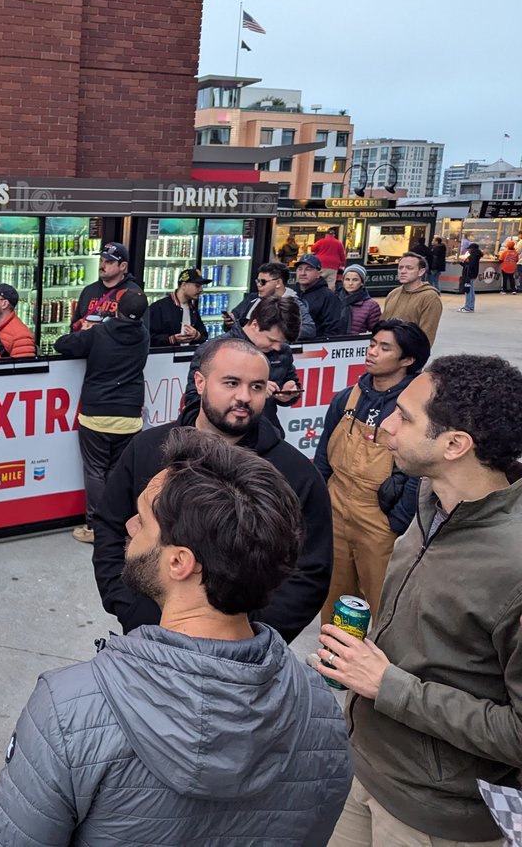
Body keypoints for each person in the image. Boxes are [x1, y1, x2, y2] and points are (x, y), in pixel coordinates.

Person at [0, 427, 351, 846]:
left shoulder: (69, 712)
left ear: (179, 562)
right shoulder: (321, 708)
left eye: (145, 521)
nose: (129, 526)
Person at [318, 354, 522, 846]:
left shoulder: (514, 565)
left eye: (405, 417)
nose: (385, 424)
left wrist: (388, 684)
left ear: (455, 444)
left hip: (437, 814)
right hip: (364, 767)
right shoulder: (432, 502)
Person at [95, 336, 332, 643]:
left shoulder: (296, 474)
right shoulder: (147, 448)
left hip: (242, 652)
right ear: (200, 381)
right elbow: (110, 527)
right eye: (231, 383)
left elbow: (310, 572)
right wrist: (130, 607)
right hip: (146, 636)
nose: (244, 397)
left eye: (257, 387)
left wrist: (246, 634)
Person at [312, 320, 429, 624]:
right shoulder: (347, 398)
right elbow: (324, 454)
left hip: (378, 516)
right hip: (336, 507)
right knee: (335, 598)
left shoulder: (414, 408)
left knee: (382, 602)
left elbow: (419, 468)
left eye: (384, 347)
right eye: (373, 344)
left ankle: (378, 666)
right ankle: (332, 663)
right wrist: (320, 504)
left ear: (408, 360)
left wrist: (397, 520)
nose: (373, 352)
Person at [54, 289, 149, 545]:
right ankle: (119, 526)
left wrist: (83, 331)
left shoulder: (99, 333)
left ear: (116, 308)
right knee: (118, 473)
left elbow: (62, 345)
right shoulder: (144, 335)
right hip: (130, 416)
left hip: (97, 414)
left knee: (95, 471)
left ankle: (95, 528)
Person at [185, 296, 302, 437]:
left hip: (266, 434)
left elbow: (292, 382)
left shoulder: (282, 351)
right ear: (254, 324)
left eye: (282, 342)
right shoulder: (213, 350)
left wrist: (289, 393)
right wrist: (256, 392)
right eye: (272, 340)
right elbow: (193, 401)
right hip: (221, 438)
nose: (277, 347)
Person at [226, 261, 316, 340]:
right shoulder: (252, 298)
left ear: (278, 283)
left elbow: (309, 330)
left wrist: (273, 330)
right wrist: (229, 322)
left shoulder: (294, 303)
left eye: (263, 282)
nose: (259, 285)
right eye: (257, 281)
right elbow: (232, 323)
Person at [70, 241, 143, 331]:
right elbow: (75, 324)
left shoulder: (133, 293)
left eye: (109, 262)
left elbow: (139, 332)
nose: (102, 266)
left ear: (123, 266)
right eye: (101, 260)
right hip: (89, 344)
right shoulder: (89, 290)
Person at [382, 252, 442, 343]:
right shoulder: (393, 294)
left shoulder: (430, 297)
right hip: (386, 351)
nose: (403, 271)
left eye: (409, 268)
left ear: (421, 272)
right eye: (400, 268)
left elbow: (427, 335)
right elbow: (382, 325)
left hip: (409, 354)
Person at [147, 268, 208, 347]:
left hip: (188, 356)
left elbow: (204, 336)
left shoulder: (192, 309)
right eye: (197, 286)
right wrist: (171, 339)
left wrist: (197, 335)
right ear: (184, 285)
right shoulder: (158, 307)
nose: (201, 290)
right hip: (163, 357)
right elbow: (146, 337)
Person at [293, 254, 345, 336]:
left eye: (308, 269)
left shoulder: (328, 297)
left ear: (318, 274)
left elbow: (332, 329)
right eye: (299, 269)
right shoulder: (292, 293)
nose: (302, 273)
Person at [338, 264, 382, 335]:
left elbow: (376, 331)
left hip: (357, 344)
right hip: (334, 343)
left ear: (362, 282)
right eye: (347, 279)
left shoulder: (371, 305)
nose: (350, 283)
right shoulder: (334, 300)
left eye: (355, 280)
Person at [458, 238, 483, 314]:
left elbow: (469, 265)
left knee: (468, 291)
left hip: (469, 274)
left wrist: (463, 263)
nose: (468, 250)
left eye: (469, 249)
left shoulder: (472, 256)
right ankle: (470, 306)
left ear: (472, 249)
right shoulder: (476, 256)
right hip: (473, 274)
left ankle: (468, 307)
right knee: (471, 291)